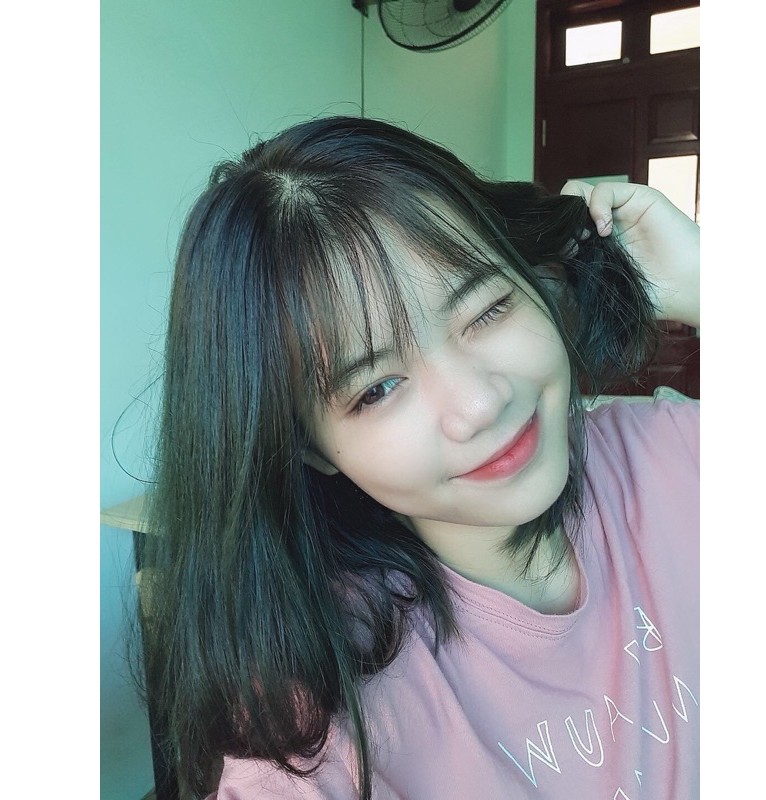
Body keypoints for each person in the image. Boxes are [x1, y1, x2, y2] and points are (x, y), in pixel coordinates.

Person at [140, 115, 699, 800]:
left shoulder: (674, 454)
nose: (479, 404)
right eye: (376, 388)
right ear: (310, 448)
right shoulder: (322, 711)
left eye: (488, 310)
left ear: (538, 283)